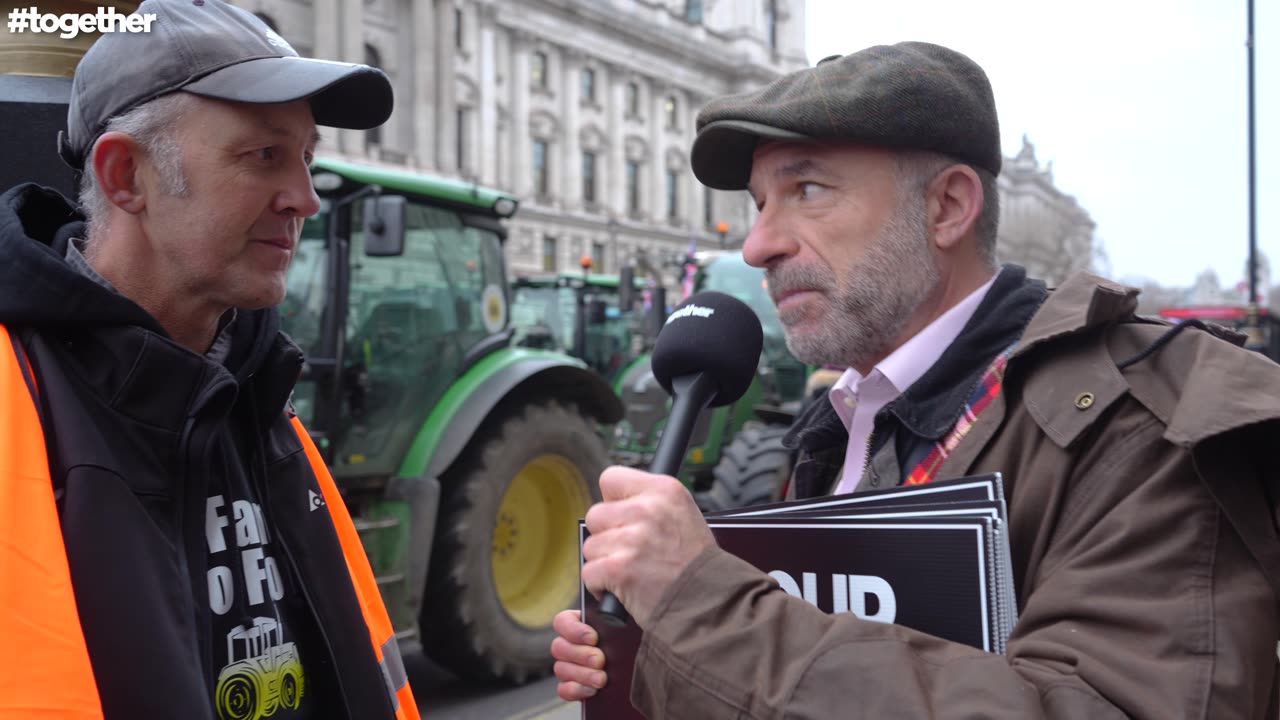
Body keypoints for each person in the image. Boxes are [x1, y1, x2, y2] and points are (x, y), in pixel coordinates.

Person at [551, 41, 1280, 718]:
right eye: (759, 203)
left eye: (806, 189)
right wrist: (656, 650)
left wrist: (703, 608)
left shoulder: (1146, 425)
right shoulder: (837, 427)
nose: (758, 244)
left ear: (947, 208)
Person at [0, 1, 420, 718]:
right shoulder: (23, 405)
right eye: (264, 156)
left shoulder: (260, 392)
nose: (306, 199)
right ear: (125, 175)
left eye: (306, 158)